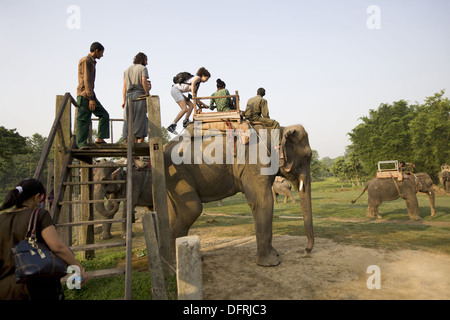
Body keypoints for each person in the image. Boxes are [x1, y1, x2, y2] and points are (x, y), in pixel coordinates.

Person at [0, 179, 88, 300]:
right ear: (37, 197)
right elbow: (57, 247)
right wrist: (78, 268)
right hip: (35, 288)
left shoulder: (2, 218)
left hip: (5, 290)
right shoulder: (39, 215)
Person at [76, 42, 110, 149]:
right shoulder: (86, 60)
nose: (102, 55)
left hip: (90, 94)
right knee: (83, 119)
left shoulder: (92, 62)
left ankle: (100, 138)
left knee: (104, 114)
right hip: (85, 94)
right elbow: (87, 79)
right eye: (101, 53)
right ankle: (81, 144)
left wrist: (92, 97)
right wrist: (91, 98)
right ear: (96, 51)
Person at [167, 67, 211, 135]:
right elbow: (193, 84)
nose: (206, 81)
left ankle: (185, 120)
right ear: (202, 75)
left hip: (178, 91)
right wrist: (193, 94)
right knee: (184, 109)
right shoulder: (197, 78)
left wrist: (204, 105)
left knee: (191, 105)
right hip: (175, 90)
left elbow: (196, 98)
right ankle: (172, 125)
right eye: (206, 78)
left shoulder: (197, 85)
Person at [122, 52, 150, 143]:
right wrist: (147, 94)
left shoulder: (127, 70)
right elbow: (143, 81)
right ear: (143, 59)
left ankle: (126, 140)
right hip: (139, 95)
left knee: (128, 118)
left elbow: (124, 87)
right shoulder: (143, 68)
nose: (147, 62)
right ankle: (134, 141)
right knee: (138, 118)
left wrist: (124, 101)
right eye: (146, 60)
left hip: (128, 96)